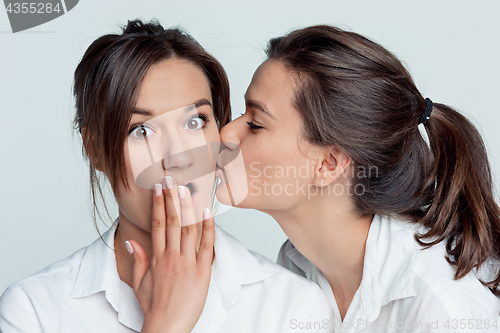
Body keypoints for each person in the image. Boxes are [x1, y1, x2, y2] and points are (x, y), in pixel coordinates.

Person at [0, 20, 333, 333]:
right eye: (141, 130)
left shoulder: (295, 306)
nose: (178, 158)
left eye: (195, 122)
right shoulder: (34, 311)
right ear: (96, 149)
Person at [216, 25, 500, 332]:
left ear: (329, 163)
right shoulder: (298, 264)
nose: (227, 133)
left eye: (255, 124)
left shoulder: (444, 310)